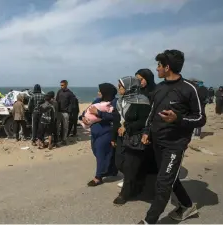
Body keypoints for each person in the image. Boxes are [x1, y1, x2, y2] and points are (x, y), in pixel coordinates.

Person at [139, 49, 205, 224]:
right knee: (171, 177)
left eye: (159, 65)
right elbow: (152, 113)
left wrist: (179, 119)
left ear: (167, 67)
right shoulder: (158, 89)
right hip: (157, 142)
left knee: (163, 183)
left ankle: (149, 221)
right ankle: (187, 205)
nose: (157, 69)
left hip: (175, 144)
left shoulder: (190, 89)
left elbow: (200, 118)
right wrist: (146, 131)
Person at [113, 76, 151, 206]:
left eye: (121, 86)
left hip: (135, 137)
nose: (119, 89)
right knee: (119, 162)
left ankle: (125, 194)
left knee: (129, 166)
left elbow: (144, 121)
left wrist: (127, 127)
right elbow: (117, 119)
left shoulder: (142, 101)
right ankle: (136, 182)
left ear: (130, 87)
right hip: (121, 137)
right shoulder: (120, 101)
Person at [79, 83, 120, 187]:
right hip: (94, 132)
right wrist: (82, 117)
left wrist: (99, 113)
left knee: (101, 152)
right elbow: (86, 111)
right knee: (96, 151)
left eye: (100, 91)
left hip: (106, 132)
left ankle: (98, 177)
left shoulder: (115, 103)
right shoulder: (97, 101)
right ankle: (112, 170)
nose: (98, 93)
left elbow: (116, 117)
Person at [56, 80, 75, 146]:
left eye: (63, 85)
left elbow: (72, 103)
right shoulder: (59, 91)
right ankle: (57, 139)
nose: (61, 86)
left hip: (65, 113)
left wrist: (69, 110)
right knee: (57, 126)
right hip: (59, 112)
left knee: (65, 127)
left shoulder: (70, 93)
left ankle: (64, 139)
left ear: (66, 85)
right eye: (61, 85)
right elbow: (56, 100)